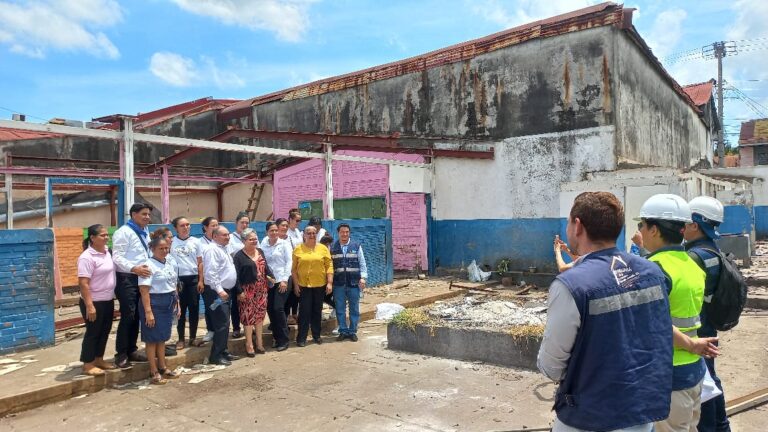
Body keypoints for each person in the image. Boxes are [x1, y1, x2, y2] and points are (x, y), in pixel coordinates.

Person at [537, 192, 674, 432]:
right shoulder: (652, 272)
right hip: (641, 413)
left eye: (570, 221)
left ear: (577, 226)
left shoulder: (571, 285)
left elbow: (551, 365)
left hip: (588, 417)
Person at [636, 193, 721, 432]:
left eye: (641, 225)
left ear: (654, 229)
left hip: (667, 375)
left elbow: (655, 323)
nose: (640, 230)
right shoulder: (692, 265)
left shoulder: (654, 270)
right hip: (692, 373)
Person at [683, 196, 731, 432]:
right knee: (711, 380)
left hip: (697, 331)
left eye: (685, 221)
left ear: (695, 224)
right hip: (709, 325)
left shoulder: (694, 257)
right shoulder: (712, 250)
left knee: (703, 385)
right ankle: (722, 426)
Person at [111, 203, 152, 369]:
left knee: (137, 316)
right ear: (133, 215)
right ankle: (121, 354)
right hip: (127, 278)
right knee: (128, 315)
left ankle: (132, 350)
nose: (147, 217)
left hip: (141, 278)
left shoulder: (145, 232)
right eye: (144, 214)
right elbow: (117, 257)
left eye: (148, 214)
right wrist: (134, 268)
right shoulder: (123, 232)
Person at [138, 235, 182, 385]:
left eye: (166, 248)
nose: (164, 251)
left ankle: (163, 366)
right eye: (160, 248)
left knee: (162, 337)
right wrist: (148, 311)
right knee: (152, 338)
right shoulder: (147, 265)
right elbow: (144, 290)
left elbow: (173, 283)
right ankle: (153, 370)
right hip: (153, 303)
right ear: (152, 249)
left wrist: (177, 303)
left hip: (168, 302)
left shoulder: (169, 262)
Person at [77, 224, 117, 376]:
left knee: (104, 331)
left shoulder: (108, 252)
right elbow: (83, 283)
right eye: (103, 235)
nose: (106, 237)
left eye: (107, 235)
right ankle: (88, 364)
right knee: (93, 332)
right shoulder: (87, 257)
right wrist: (89, 305)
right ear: (92, 238)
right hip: (94, 302)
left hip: (107, 300)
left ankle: (99, 359)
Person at [202, 226, 240, 365]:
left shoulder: (223, 249)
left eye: (228, 235)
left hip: (224, 291)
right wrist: (220, 290)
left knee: (224, 322)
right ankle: (216, 356)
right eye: (224, 235)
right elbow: (211, 273)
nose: (228, 237)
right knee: (221, 323)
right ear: (215, 236)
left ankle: (223, 351)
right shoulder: (212, 250)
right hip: (217, 293)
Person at [233, 228, 274, 356]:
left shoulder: (260, 251)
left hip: (262, 289)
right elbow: (236, 276)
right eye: (251, 239)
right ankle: (249, 344)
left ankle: (260, 343)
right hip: (247, 291)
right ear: (244, 241)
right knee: (248, 318)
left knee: (260, 316)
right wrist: (239, 292)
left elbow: (265, 267)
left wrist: (271, 276)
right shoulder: (239, 256)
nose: (254, 241)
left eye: (255, 238)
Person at [291, 225, 333, 346]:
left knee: (317, 311)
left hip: (320, 285)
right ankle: (301, 338)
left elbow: (329, 266)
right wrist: (296, 285)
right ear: (304, 235)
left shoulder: (323, 249)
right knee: (304, 312)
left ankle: (316, 335)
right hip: (304, 286)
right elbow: (293, 269)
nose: (311, 235)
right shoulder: (298, 249)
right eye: (308, 233)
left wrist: (329, 283)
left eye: (314, 233)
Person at [171, 216, 204, 349]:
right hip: (178, 280)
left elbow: (200, 262)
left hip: (193, 279)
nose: (186, 228)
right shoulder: (171, 242)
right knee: (180, 310)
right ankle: (180, 339)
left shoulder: (196, 242)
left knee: (194, 309)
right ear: (176, 228)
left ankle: (193, 338)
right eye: (182, 225)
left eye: (188, 224)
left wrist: (201, 280)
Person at [330, 224, 367, 342]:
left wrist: (363, 278)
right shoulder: (333, 247)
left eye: (346, 232)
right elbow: (329, 265)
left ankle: (352, 331)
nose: (344, 234)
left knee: (354, 308)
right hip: (338, 283)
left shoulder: (356, 246)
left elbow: (362, 263)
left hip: (354, 283)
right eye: (342, 232)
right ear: (338, 233)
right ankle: (343, 331)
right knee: (340, 309)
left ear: (349, 233)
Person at [261, 221, 293, 351]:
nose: (274, 233)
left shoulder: (284, 244)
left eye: (275, 230)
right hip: (269, 282)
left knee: (278, 308)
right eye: (271, 231)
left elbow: (289, 262)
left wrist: (285, 280)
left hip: (282, 280)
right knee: (270, 309)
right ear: (267, 232)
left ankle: (284, 340)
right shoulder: (264, 244)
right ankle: (276, 337)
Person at [227, 212, 251, 339]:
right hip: (236, 274)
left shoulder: (251, 236)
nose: (244, 225)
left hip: (249, 274)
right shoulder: (231, 238)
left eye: (247, 222)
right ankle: (236, 328)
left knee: (249, 302)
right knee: (236, 303)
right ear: (236, 223)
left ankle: (250, 325)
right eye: (242, 222)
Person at [199, 216, 219, 344]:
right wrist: (201, 280)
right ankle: (211, 329)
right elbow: (200, 263)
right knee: (210, 306)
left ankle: (220, 330)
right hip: (208, 282)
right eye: (213, 225)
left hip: (221, 282)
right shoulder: (200, 243)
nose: (216, 228)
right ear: (206, 228)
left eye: (217, 225)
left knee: (220, 306)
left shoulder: (220, 241)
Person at [277, 217, 299, 325]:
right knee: (278, 302)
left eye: (286, 225)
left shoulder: (290, 239)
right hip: (275, 276)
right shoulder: (270, 239)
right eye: (283, 225)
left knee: (289, 298)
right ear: (277, 227)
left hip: (290, 273)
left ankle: (285, 320)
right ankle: (278, 322)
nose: (285, 228)